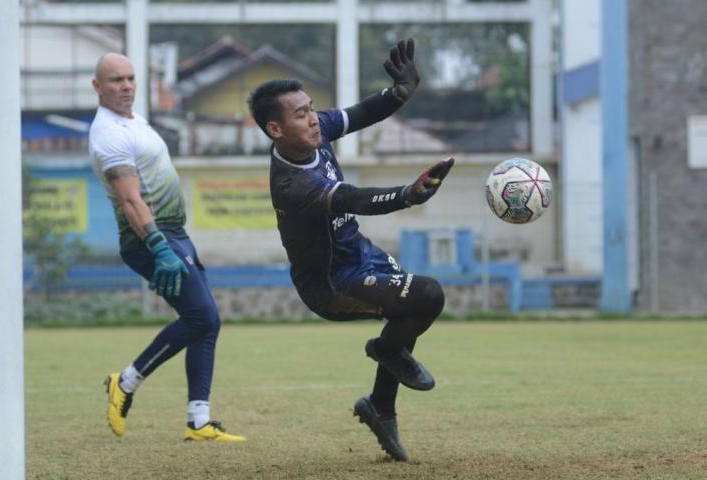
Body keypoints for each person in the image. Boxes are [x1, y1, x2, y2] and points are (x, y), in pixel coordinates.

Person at [247, 39, 453, 461]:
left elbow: (358, 114)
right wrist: (408, 195)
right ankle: (385, 359)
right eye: (301, 113)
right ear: (276, 129)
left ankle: (380, 406)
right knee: (427, 296)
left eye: (310, 107)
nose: (313, 118)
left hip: (360, 254)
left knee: (408, 307)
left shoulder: (311, 132)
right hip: (331, 282)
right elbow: (354, 199)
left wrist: (398, 93)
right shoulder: (294, 185)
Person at [89, 52, 246, 443]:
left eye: (130, 78)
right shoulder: (108, 134)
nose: (126, 86)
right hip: (149, 239)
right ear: (97, 87)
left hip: (172, 234)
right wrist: (159, 247)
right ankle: (125, 381)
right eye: (115, 81)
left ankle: (199, 419)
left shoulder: (133, 121)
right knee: (203, 319)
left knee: (206, 322)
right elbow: (130, 200)